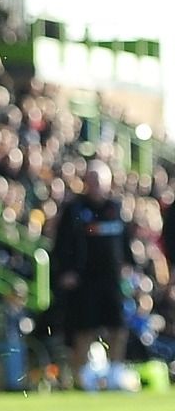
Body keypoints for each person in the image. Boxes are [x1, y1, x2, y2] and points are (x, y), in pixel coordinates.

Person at [52, 160, 129, 390]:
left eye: (99, 180)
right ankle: (83, 376)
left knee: (118, 326)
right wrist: (66, 271)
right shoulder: (75, 210)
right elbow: (62, 244)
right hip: (84, 281)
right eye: (92, 180)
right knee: (84, 328)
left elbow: (124, 242)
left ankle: (115, 373)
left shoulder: (114, 208)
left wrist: (128, 265)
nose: (95, 185)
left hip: (111, 279)